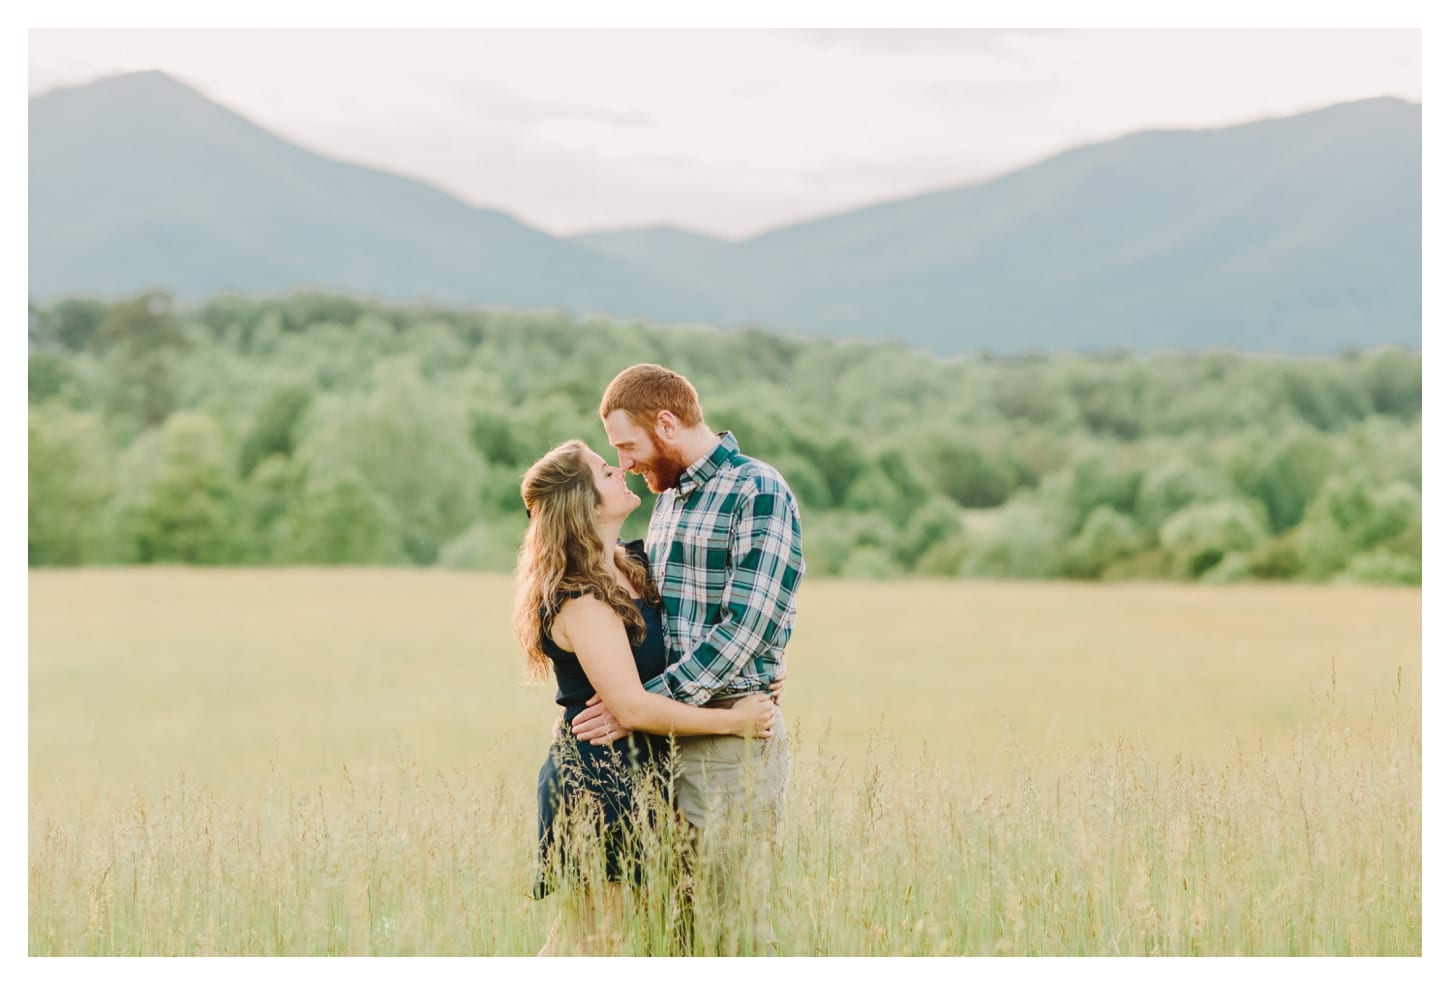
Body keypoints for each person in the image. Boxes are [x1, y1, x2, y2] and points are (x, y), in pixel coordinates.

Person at [571, 363, 805, 954]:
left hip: (729, 741)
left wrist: (642, 705)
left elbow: (746, 629)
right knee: (675, 931)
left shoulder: (758, 490)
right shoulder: (670, 499)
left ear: (667, 425)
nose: (624, 463)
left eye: (628, 446)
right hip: (662, 740)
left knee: (734, 929)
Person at [514, 439, 777, 956]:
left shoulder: (632, 562)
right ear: (582, 503)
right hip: (600, 783)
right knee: (589, 944)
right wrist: (733, 721)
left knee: (634, 940)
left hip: (647, 774)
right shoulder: (581, 597)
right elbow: (631, 707)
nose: (620, 470)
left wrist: (768, 664)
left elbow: (708, 620)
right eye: (603, 470)